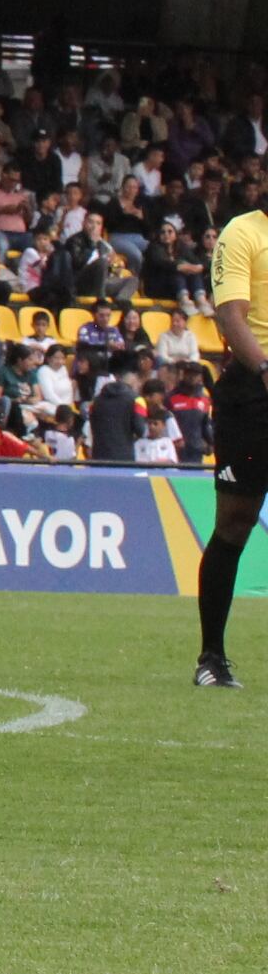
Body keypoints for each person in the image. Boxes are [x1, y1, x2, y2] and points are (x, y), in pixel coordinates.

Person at [198, 177, 268, 687]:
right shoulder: (242, 233)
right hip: (253, 391)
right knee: (236, 521)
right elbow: (229, 316)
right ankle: (212, 659)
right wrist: (266, 368)